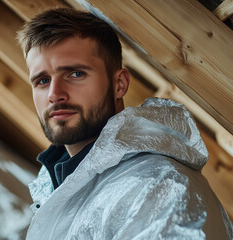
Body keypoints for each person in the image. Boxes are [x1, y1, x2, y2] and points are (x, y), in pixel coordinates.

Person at [17, 7, 233, 240]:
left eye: (75, 74)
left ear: (119, 84)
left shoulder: (157, 186)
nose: (54, 93)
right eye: (42, 80)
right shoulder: (58, 187)